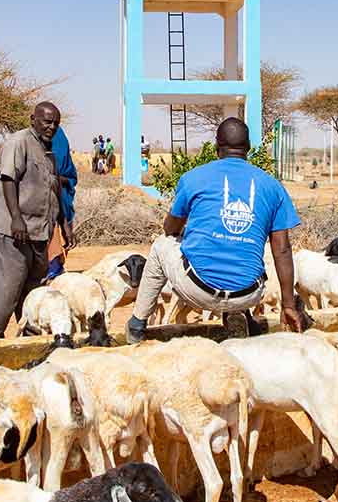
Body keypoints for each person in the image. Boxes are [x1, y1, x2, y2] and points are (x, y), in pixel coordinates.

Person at [126, 117, 302, 342]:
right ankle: (237, 313)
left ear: (217, 146)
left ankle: (137, 324)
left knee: (161, 245)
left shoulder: (194, 178)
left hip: (199, 290)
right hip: (248, 294)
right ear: (248, 148)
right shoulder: (272, 186)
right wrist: (288, 305)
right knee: (241, 252)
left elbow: (169, 229)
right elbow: (283, 250)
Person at [0, 102, 74, 339]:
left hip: (38, 233)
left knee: (33, 299)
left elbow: (52, 191)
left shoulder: (49, 152)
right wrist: (16, 218)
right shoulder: (19, 142)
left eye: (55, 123)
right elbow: (8, 179)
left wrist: (64, 225)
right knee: (4, 297)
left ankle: (30, 354)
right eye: (46, 121)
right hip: (11, 232)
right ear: (33, 119)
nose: (51, 127)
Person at [42, 122, 78, 282]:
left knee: (58, 237)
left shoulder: (63, 160)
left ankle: (54, 270)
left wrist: (55, 178)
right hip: (41, 203)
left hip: (60, 201)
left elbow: (71, 177)